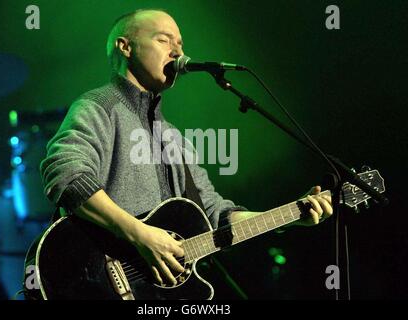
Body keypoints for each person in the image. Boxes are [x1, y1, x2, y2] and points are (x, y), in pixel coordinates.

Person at [40, 9, 333, 289]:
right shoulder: (98, 107)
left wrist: (293, 215)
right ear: (125, 47)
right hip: (94, 280)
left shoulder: (174, 139)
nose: (178, 52)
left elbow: (217, 215)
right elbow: (66, 174)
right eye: (163, 39)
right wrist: (139, 234)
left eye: (180, 43)